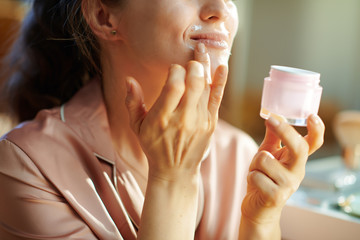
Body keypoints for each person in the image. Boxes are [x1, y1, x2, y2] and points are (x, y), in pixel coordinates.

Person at [0, 0, 325, 239]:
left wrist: (260, 221)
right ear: (103, 15)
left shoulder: (239, 155)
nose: (221, 9)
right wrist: (173, 179)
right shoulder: (27, 167)